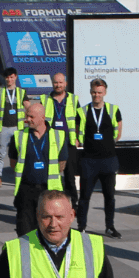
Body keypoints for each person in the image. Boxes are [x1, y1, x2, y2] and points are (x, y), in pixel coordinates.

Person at [9, 101, 69, 237]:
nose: (27, 120)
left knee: (47, 230)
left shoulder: (58, 136)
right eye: (27, 116)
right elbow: (13, 163)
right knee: (24, 230)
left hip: (48, 190)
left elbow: (61, 164)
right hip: (26, 190)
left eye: (31, 117)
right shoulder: (19, 136)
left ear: (42, 117)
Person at [76, 78, 123, 238]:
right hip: (89, 161)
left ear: (105, 93)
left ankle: (110, 226)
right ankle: (81, 226)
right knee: (84, 196)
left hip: (108, 160)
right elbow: (78, 133)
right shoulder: (82, 111)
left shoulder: (113, 109)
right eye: (94, 92)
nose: (97, 95)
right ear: (90, 92)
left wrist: (106, 145)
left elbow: (118, 132)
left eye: (100, 92)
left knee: (110, 196)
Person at [41, 73, 83, 208]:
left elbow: (79, 120)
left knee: (70, 176)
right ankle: (50, 202)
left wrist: (77, 138)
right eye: (55, 83)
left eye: (60, 83)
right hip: (51, 141)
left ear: (65, 84)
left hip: (68, 141)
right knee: (51, 174)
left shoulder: (73, 99)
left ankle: (73, 203)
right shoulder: (45, 99)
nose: (58, 85)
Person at [0, 68, 26, 189]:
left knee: (20, 154)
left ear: (15, 77)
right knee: (0, 154)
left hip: (18, 128)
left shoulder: (21, 92)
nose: (9, 79)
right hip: (3, 127)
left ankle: (20, 178)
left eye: (11, 77)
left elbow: (28, 107)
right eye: (7, 77)